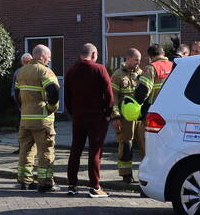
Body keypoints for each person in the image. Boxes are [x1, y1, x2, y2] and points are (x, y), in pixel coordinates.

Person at [64, 43, 113, 197]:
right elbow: (109, 94)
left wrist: (73, 113)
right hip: (97, 117)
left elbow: (67, 97)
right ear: (94, 54)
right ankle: (94, 187)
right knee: (95, 152)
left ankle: (72, 185)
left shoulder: (71, 71)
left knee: (75, 150)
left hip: (78, 117)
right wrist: (108, 112)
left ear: (80, 54)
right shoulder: (99, 69)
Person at [14, 44, 59, 193]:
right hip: (42, 120)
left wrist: (24, 108)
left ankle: (24, 181)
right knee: (45, 151)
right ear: (41, 56)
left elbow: (16, 95)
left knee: (25, 151)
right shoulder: (45, 72)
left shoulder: (21, 72)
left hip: (25, 119)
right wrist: (51, 108)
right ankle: (45, 183)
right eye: (49, 57)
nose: (49, 60)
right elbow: (53, 92)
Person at [110, 49, 153, 184]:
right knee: (126, 144)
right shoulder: (117, 75)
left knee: (145, 145)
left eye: (139, 60)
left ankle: (146, 175)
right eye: (136, 60)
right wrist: (116, 117)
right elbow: (113, 98)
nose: (138, 62)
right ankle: (126, 175)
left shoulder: (142, 74)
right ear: (127, 59)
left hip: (140, 117)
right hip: (125, 118)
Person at [10, 53, 33, 154]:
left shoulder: (20, 72)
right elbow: (14, 89)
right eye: (26, 62)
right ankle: (23, 148)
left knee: (24, 127)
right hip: (25, 104)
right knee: (24, 127)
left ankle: (25, 148)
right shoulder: (20, 72)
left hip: (25, 104)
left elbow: (14, 91)